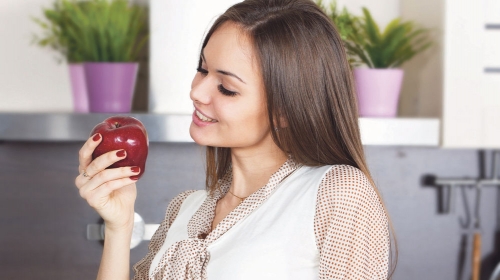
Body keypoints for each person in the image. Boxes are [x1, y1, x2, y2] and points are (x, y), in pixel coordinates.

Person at [75, 0, 395, 279]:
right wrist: (119, 227)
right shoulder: (184, 209)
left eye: (226, 88)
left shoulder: (340, 195)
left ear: (285, 109)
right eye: (202, 70)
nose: (196, 92)